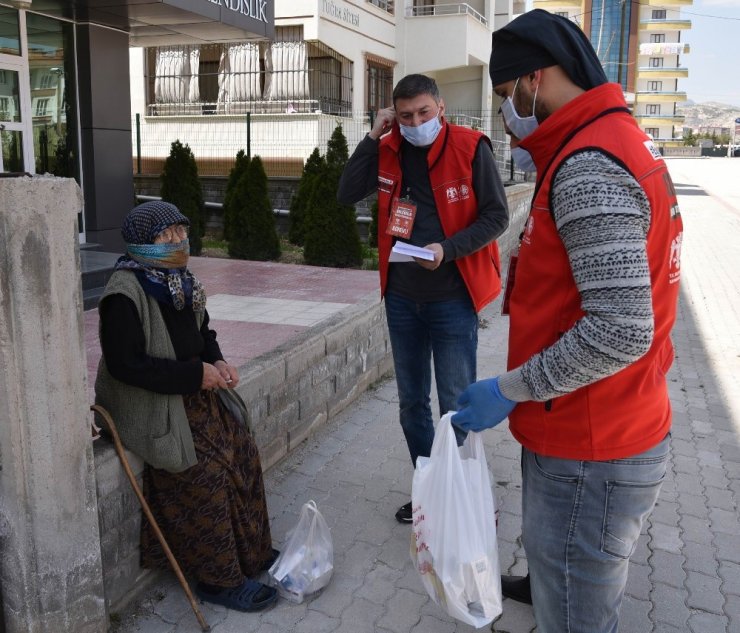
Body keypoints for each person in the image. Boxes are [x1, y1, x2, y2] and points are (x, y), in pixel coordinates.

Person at [452, 9, 684, 632]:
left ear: (536, 80)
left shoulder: (587, 165)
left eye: (506, 95)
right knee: (573, 582)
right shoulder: (620, 141)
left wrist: (508, 388)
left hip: (591, 442)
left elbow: (620, 328)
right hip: (611, 418)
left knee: (577, 616)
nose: (507, 112)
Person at [338, 74, 509, 523]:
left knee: (455, 403)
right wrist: (374, 137)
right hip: (402, 299)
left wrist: (446, 249)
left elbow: (497, 216)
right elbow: (346, 192)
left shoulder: (472, 147)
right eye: (406, 115)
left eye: (424, 113)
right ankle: (431, 491)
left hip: (453, 297)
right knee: (411, 402)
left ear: (441, 107)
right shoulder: (390, 147)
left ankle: (467, 496)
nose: (416, 123)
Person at [94, 201, 279, 612]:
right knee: (205, 471)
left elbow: (203, 331)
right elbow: (127, 366)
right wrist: (194, 377)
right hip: (149, 401)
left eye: (181, 232)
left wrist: (216, 360)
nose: (179, 241)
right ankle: (217, 579)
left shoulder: (182, 281)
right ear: (143, 242)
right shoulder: (123, 294)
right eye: (168, 235)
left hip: (190, 389)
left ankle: (253, 552)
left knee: (242, 450)